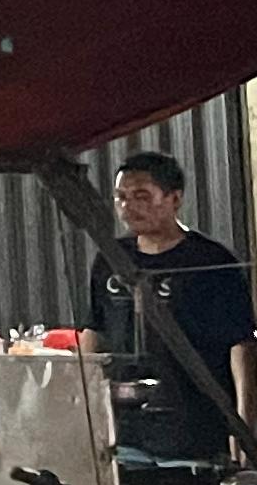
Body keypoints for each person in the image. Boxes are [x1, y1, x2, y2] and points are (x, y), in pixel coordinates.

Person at [84, 147, 256, 468]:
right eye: (120, 197)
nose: (127, 206)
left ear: (174, 199)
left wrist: (245, 425)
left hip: (196, 430)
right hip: (124, 431)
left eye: (141, 196)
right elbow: (94, 331)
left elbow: (241, 346)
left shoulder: (212, 261)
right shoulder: (110, 258)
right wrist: (84, 405)